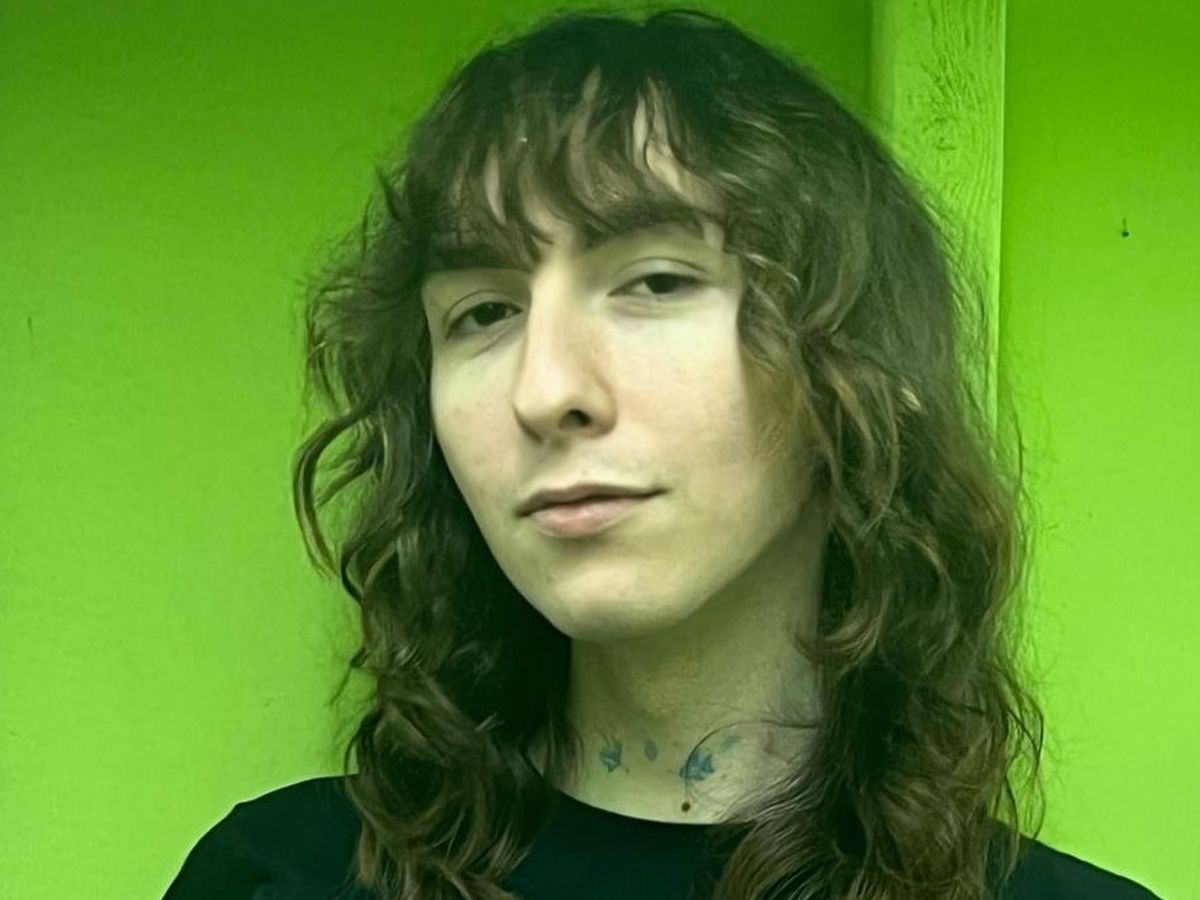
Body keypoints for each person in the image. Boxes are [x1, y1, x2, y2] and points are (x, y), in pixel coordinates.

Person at [163, 6, 1160, 899]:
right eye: (484, 312)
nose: (545, 390)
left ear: (854, 366)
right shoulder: (273, 878)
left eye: (656, 281)